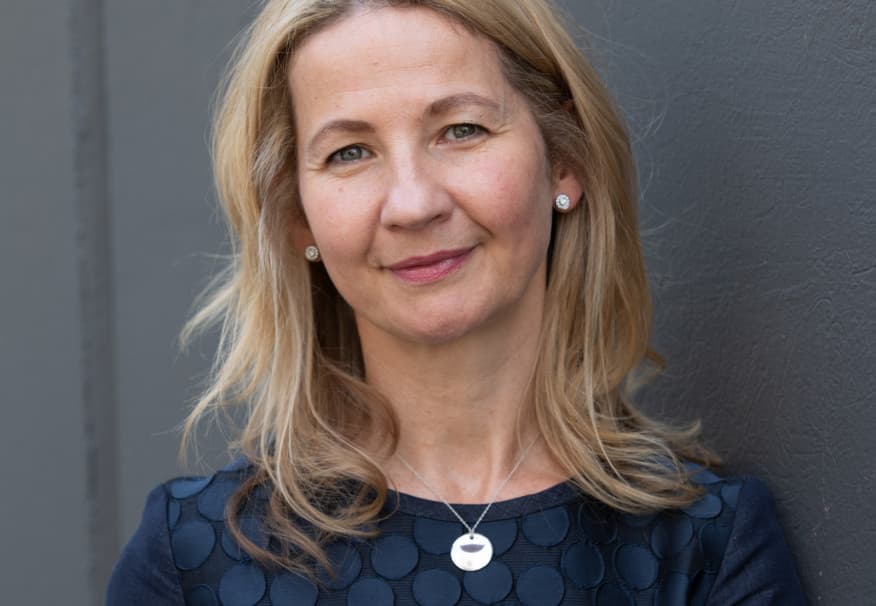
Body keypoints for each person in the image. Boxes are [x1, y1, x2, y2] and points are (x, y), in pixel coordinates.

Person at [107, 0, 807, 604]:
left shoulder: (704, 545)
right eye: (350, 152)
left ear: (565, 160)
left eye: (461, 130)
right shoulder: (196, 559)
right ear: (299, 217)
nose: (413, 203)